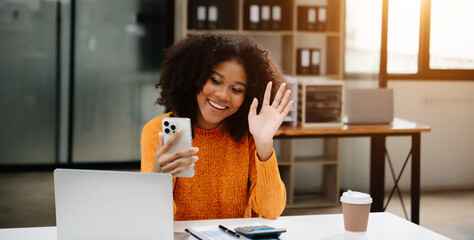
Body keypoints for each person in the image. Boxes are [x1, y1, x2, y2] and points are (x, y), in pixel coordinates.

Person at [141, 33, 293, 221]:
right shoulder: (158, 131)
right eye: (215, 80)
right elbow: (155, 219)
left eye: (236, 89)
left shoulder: (248, 134)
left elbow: (271, 210)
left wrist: (264, 144)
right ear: (195, 77)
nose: (222, 95)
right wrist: (158, 180)